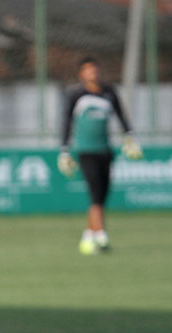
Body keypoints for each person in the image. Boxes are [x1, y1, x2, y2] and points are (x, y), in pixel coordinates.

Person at [58, 56, 142, 255]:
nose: (92, 73)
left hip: (105, 150)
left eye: (95, 69)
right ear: (81, 73)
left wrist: (129, 138)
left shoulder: (109, 92)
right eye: (88, 70)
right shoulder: (76, 95)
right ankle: (101, 236)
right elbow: (67, 122)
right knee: (95, 193)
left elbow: (122, 116)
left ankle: (88, 236)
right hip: (86, 151)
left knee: (102, 196)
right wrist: (64, 151)